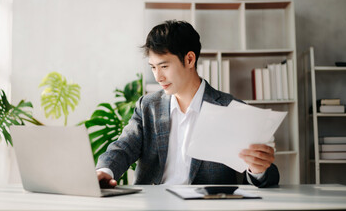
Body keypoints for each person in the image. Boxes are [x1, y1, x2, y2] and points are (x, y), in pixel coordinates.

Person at [96, 20, 279, 188]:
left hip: (206, 207)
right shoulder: (148, 106)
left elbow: (267, 176)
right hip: (154, 205)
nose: (158, 77)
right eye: (153, 67)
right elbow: (124, 147)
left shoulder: (230, 108)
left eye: (164, 66)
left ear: (190, 59)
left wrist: (258, 169)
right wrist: (105, 171)